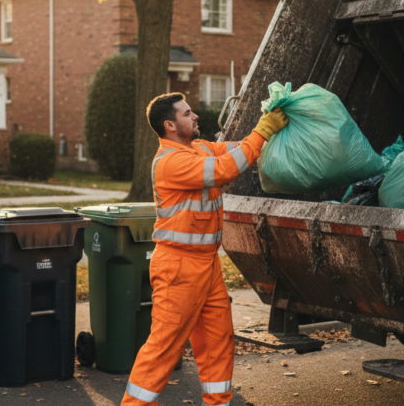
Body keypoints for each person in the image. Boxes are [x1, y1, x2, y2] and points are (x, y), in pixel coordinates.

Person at [122, 93, 288, 406]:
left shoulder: (197, 148)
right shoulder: (170, 162)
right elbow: (225, 170)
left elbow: (239, 151)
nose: (195, 116)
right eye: (187, 114)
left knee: (217, 340)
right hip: (178, 267)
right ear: (170, 125)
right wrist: (263, 130)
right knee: (164, 348)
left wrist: (267, 129)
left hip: (206, 266)